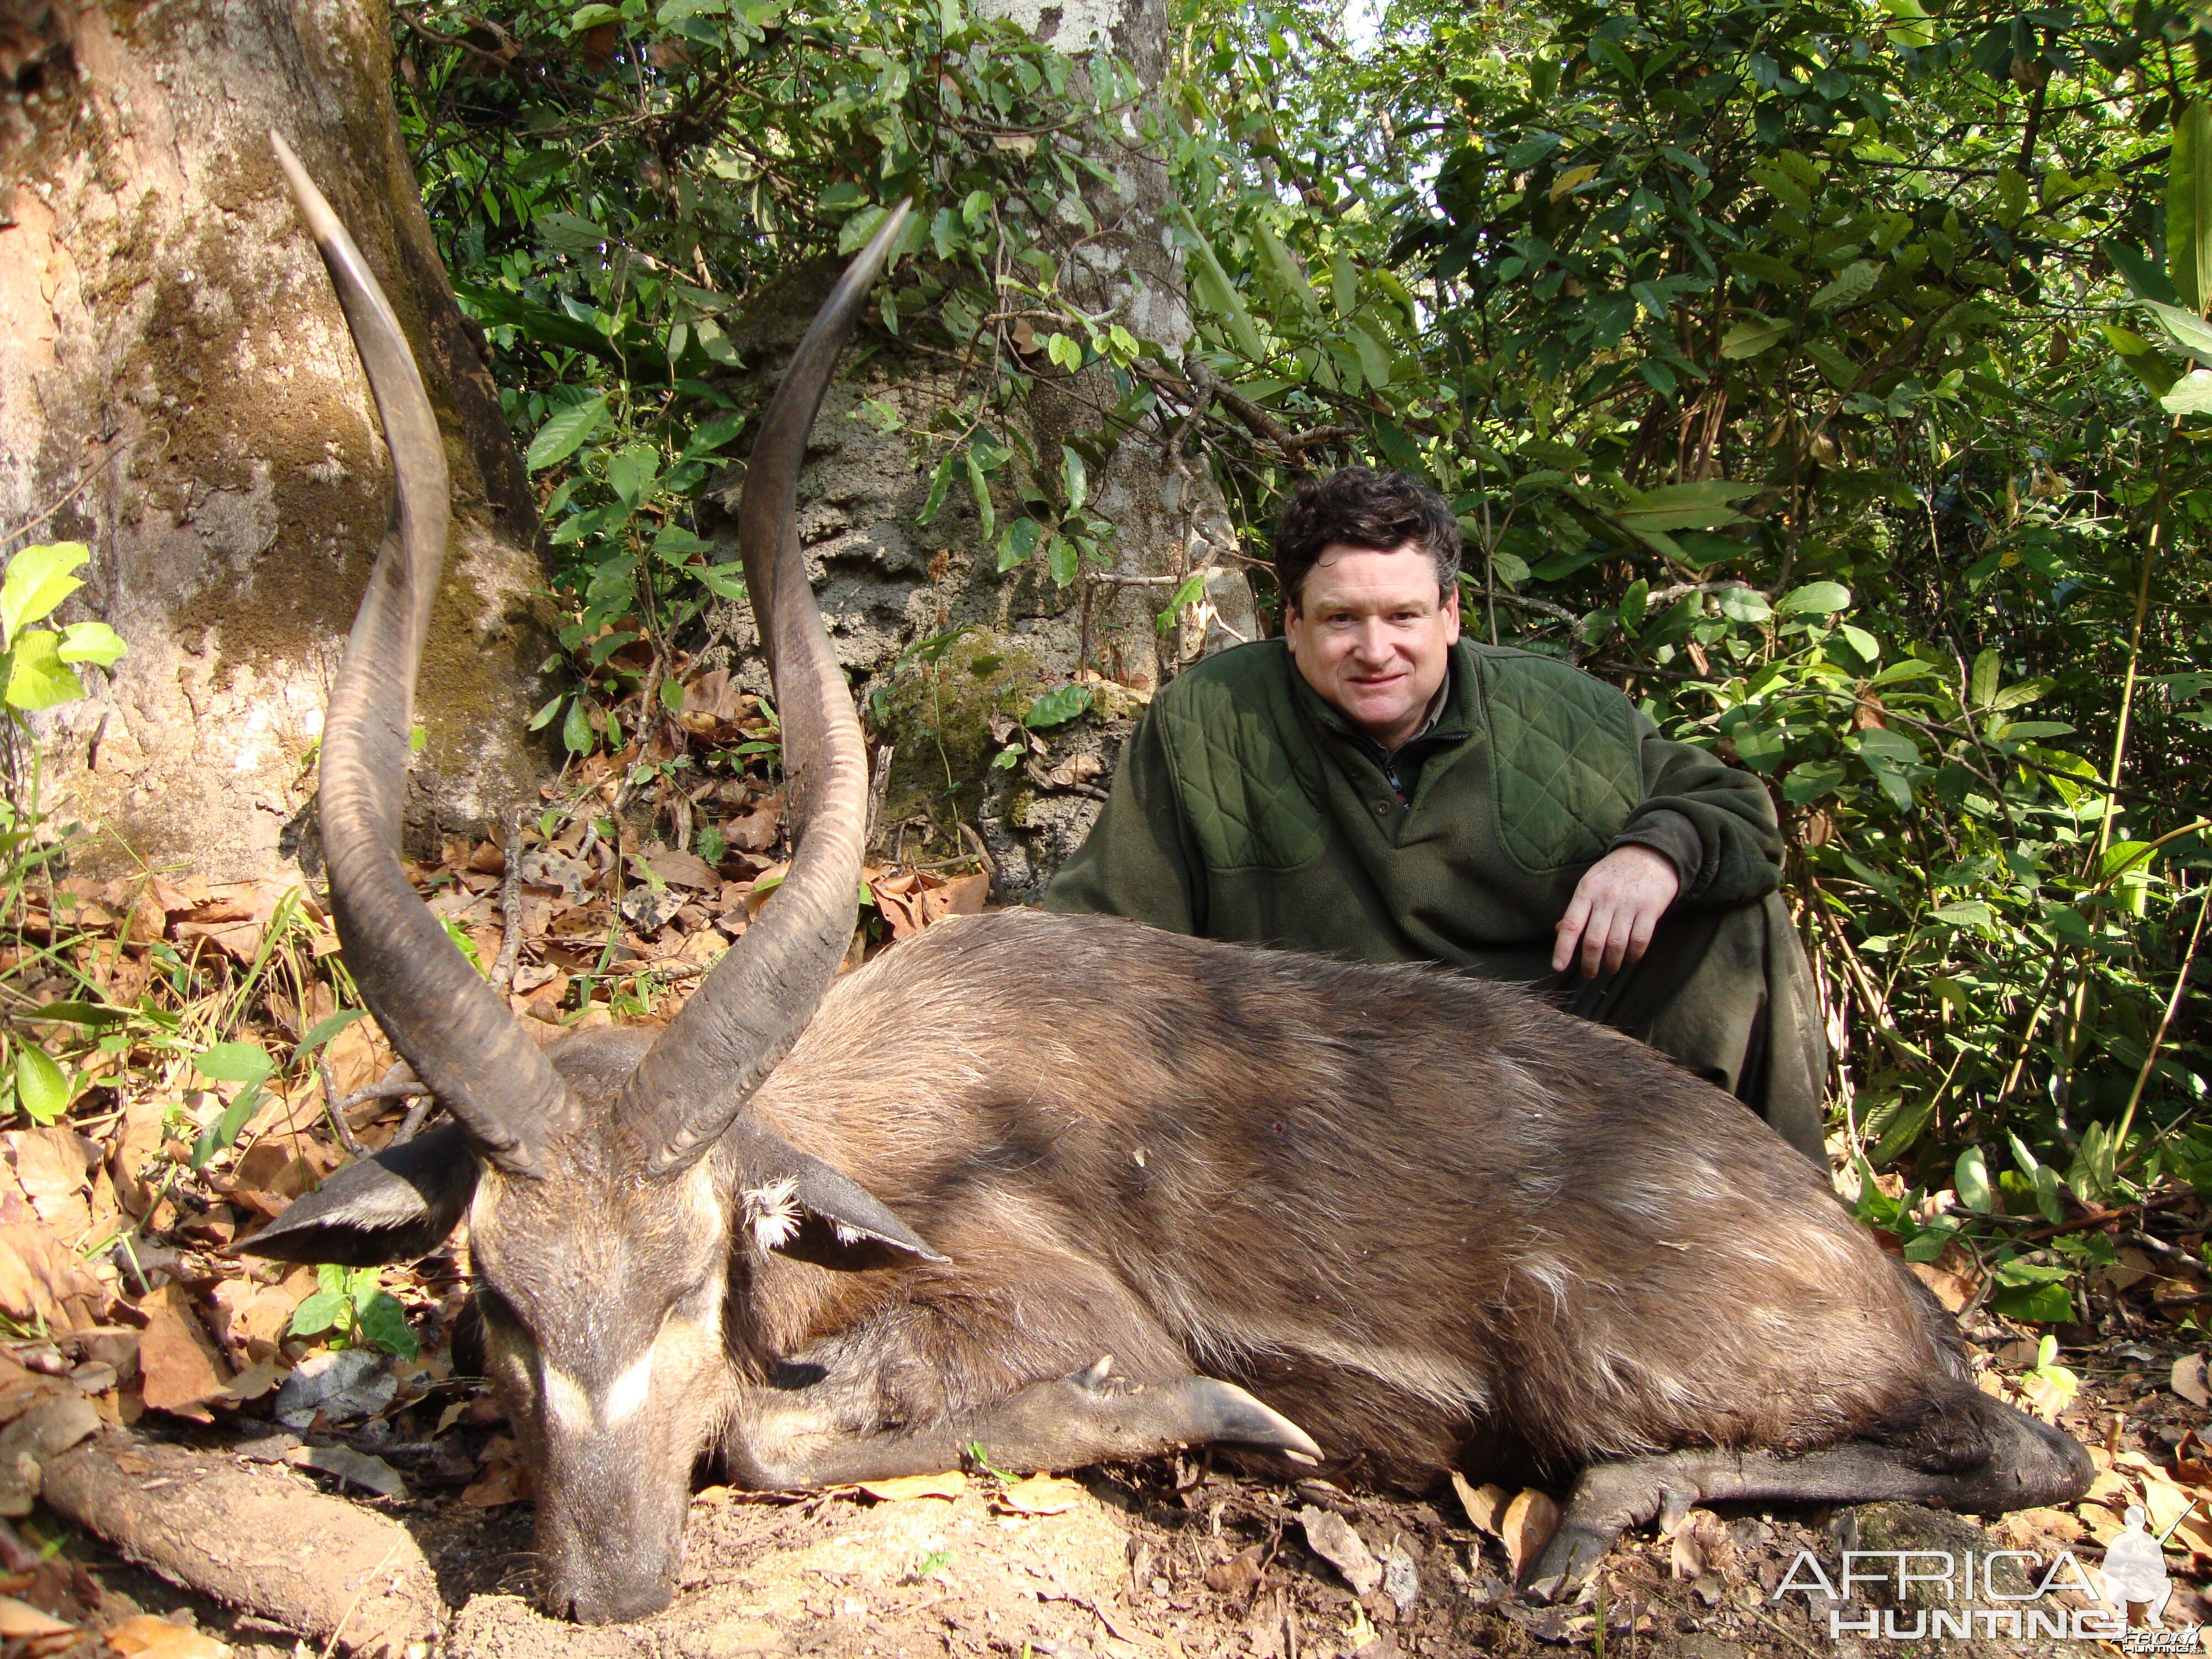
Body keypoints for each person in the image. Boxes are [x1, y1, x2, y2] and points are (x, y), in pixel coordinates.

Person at [1044, 466, 1827, 1161]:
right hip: (1310, 1077)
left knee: (1737, 917)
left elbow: (1736, 808)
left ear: (1451, 615)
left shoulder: (1559, 712)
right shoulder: (1206, 723)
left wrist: (1655, 852)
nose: (1375, 650)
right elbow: (1097, 932)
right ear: (1293, 624)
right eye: (1342, 619)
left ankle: (1796, 1237)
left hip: (1547, 1054)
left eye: (1404, 617)